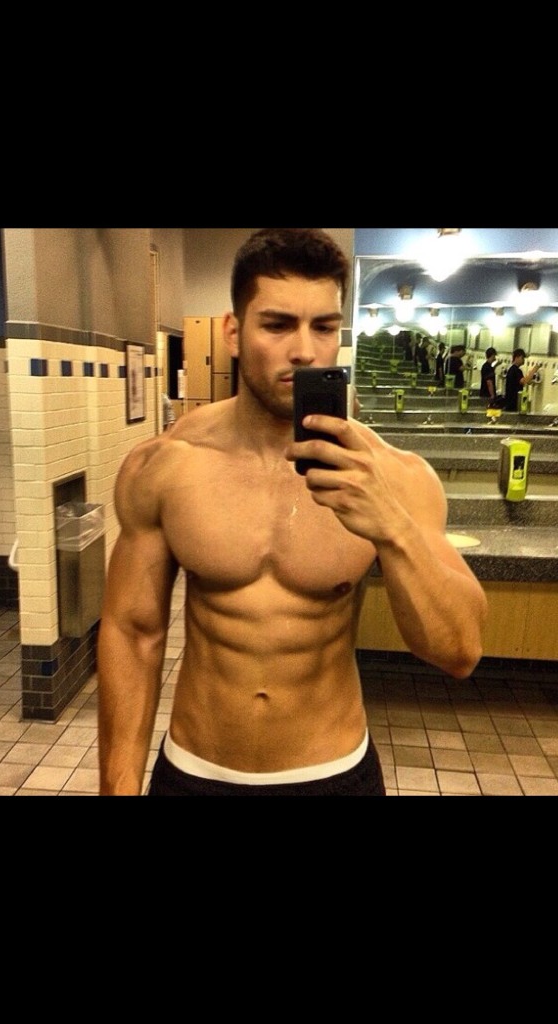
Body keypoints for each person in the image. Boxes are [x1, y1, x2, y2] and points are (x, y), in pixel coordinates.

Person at [97, 227, 487, 798]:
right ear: (233, 332)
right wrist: (117, 785)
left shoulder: (395, 476)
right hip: (196, 771)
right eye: (278, 324)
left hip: (332, 773)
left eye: (324, 327)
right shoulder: (165, 466)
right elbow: (133, 634)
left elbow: (459, 652)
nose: (304, 350)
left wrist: (393, 527)